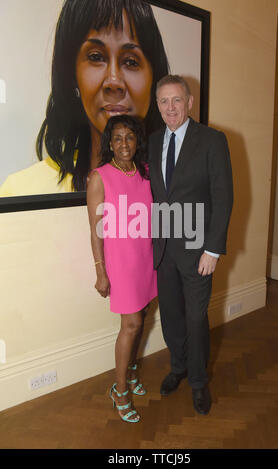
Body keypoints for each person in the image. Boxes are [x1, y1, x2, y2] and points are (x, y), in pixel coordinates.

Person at [0, 0, 169, 197]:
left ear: (154, 79)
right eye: (96, 57)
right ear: (72, 75)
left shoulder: (180, 187)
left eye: (131, 61)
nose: (113, 81)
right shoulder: (22, 192)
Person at [148, 75, 233, 415]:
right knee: (171, 317)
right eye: (164, 101)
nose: (171, 108)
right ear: (157, 105)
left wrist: (213, 249)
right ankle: (178, 368)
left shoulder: (212, 140)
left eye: (177, 100)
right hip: (163, 250)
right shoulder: (153, 141)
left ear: (190, 102)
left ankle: (198, 382)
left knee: (196, 319)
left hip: (199, 251)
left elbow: (223, 197)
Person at [87, 114, 157, 423]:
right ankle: (119, 390)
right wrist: (101, 271)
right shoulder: (99, 176)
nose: (124, 143)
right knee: (130, 325)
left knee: (141, 321)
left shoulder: (144, 172)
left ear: (136, 141)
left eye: (129, 137)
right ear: (110, 144)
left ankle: (129, 374)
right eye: (117, 138)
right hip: (121, 263)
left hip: (146, 258)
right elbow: (95, 229)